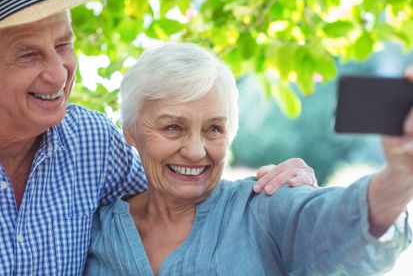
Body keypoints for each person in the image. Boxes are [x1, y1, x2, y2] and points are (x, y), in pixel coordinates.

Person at [0, 0, 318, 275]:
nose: (59, 74)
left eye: (63, 45)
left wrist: (284, 195)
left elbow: (178, 204)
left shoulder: (91, 141)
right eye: (29, 55)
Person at [85, 42, 412, 276]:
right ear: (130, 130)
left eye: (214, 129)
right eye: (173, 127)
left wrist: (400, 175)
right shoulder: (96, 229)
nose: (197, 151)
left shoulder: (263, 206)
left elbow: (337, 223)